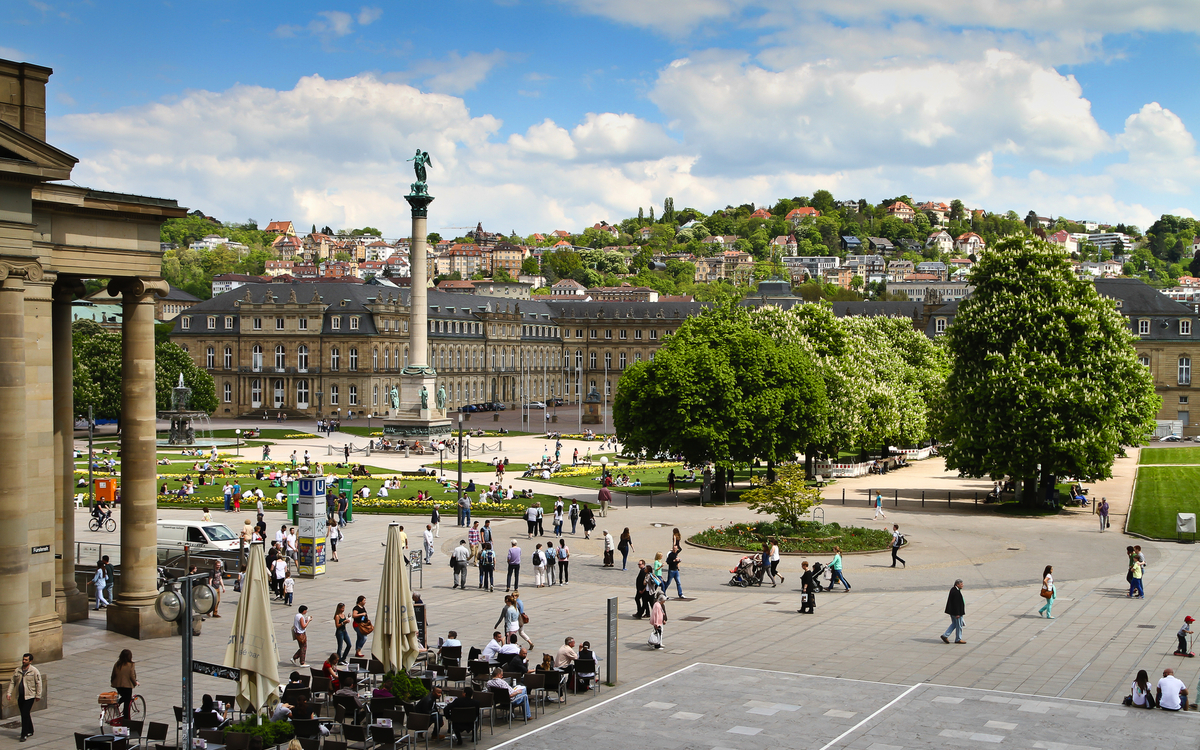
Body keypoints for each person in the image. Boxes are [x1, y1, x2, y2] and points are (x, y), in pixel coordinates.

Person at [7, 653, 41, 741]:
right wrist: (9, 693)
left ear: (30, 661)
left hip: (29, 696)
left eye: (26, 660)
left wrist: (38, 695)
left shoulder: (34, 671)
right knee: (25, 713)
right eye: (23, 659)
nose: (24, 661)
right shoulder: (17, 670)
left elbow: (38, 683)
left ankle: (24, 734)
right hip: (20, 696)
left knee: (24, 714)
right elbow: (12, 682)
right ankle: (30, 729)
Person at [110, 649, 138, 723]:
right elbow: (132, 676)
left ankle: (117, 703)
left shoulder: (117, 664)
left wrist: (113, 682)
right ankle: (126, 720)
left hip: (118, 685)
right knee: (127, 701)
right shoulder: (131, 665)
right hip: (127, 686)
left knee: (124, 696)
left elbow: (113, 674)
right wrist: (135, 682)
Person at [940, 579, 966, 644]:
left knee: (954, 624)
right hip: (957, 613)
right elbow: (956, 604)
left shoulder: (953, 589)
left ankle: (945, 635)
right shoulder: (956, 592)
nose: (962, 585)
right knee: (959, 625)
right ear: (957, 584)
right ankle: (958, 639)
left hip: (952, 612)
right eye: (961, 584)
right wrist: (958, 613)